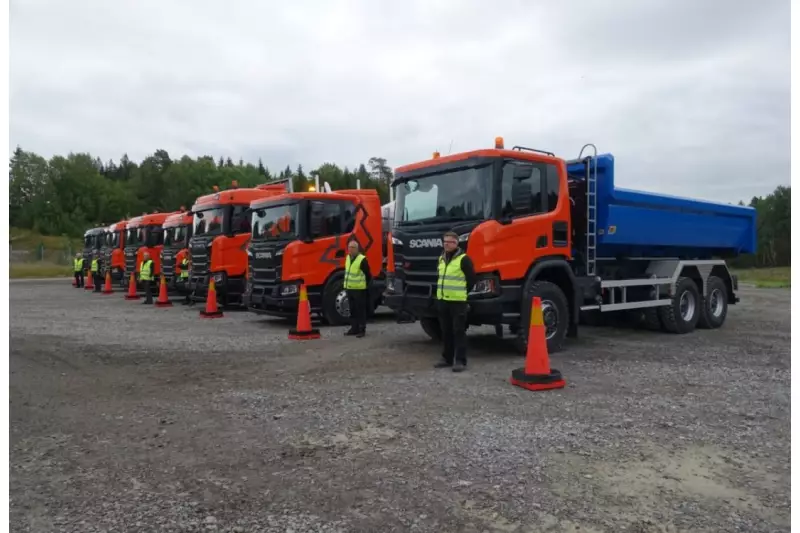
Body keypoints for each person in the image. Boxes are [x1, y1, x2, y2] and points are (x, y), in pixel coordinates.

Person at [434, 231, 476, 372]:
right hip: (443, 300)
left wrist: (463, 293)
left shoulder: (464, 259)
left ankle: (460, 360)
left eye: (450, 241)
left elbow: (471, 280)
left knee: (458, 331)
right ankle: (447, 358)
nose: (446, 244)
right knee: (445, 331)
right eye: (444, 241)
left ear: (456, 243)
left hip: (458, 301)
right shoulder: (441, 258)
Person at [343, 238, 372, 338]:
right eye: (349, 248)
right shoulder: (348, 258)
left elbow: (368, 274)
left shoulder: (362, 259)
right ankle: (354, 328)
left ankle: (361, 329)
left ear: (357, 249)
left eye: (352, 248)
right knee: (352, 309)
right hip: (350, 288)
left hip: (359, 289)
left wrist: (365, 286)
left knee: (360, 310)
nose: (350, 250)